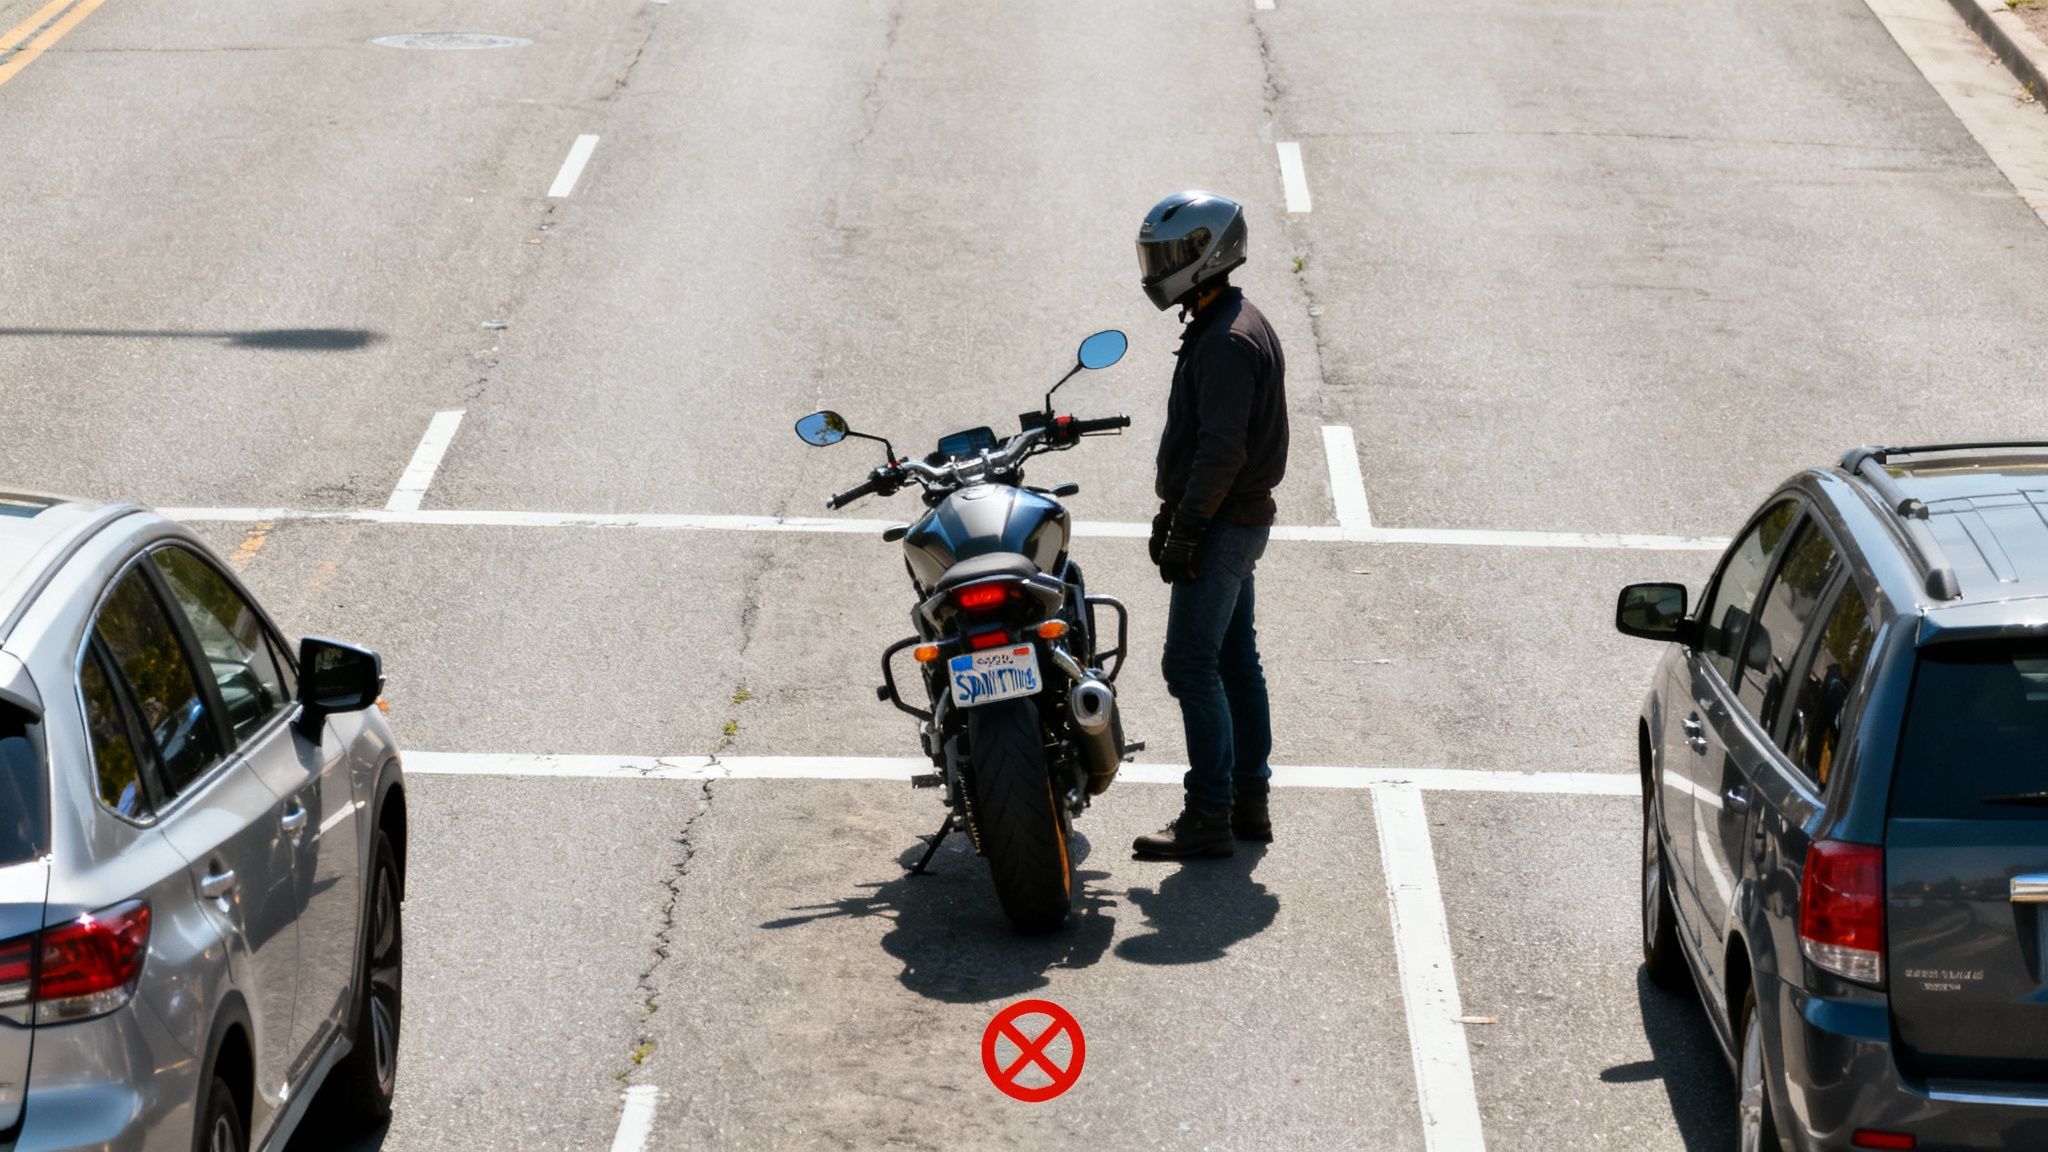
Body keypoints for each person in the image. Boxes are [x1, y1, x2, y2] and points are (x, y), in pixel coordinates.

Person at [1131, 190, 1289, 859]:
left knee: (1190, 664)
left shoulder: (1225, 340)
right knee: (1232, 659)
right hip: (1236, 521)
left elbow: (1221, 450)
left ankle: (1209, 814)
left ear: (1208, 253)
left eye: (1169, 254)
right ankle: (1249, 802)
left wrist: (1188, 528)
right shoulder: (1229, 319)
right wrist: (1176, 512)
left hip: (1224, 525)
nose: (1157, 266)